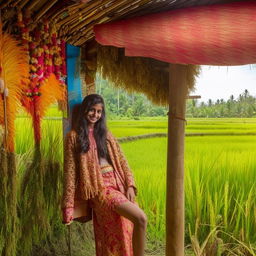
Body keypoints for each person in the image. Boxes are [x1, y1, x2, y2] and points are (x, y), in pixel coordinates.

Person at [62, 94, 147, 256]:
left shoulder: (106, 134)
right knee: (140, 218)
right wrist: (68, 207)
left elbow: (123, 161)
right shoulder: (73, 137)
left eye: (99, 111)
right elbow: (70, 172)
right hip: (100, 189)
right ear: (85, 110)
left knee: (120, 230)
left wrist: (130, 184)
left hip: (119, 185)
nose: (95, 114)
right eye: (92, 110)